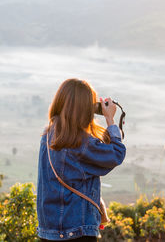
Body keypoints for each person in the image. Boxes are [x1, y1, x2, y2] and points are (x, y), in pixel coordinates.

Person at [36, 78, 127, 241]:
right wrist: (110, 120)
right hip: (77, 231)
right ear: (85, 109)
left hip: (48, 230)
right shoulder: (80, 142)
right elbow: (116, 154)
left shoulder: (48, 134)